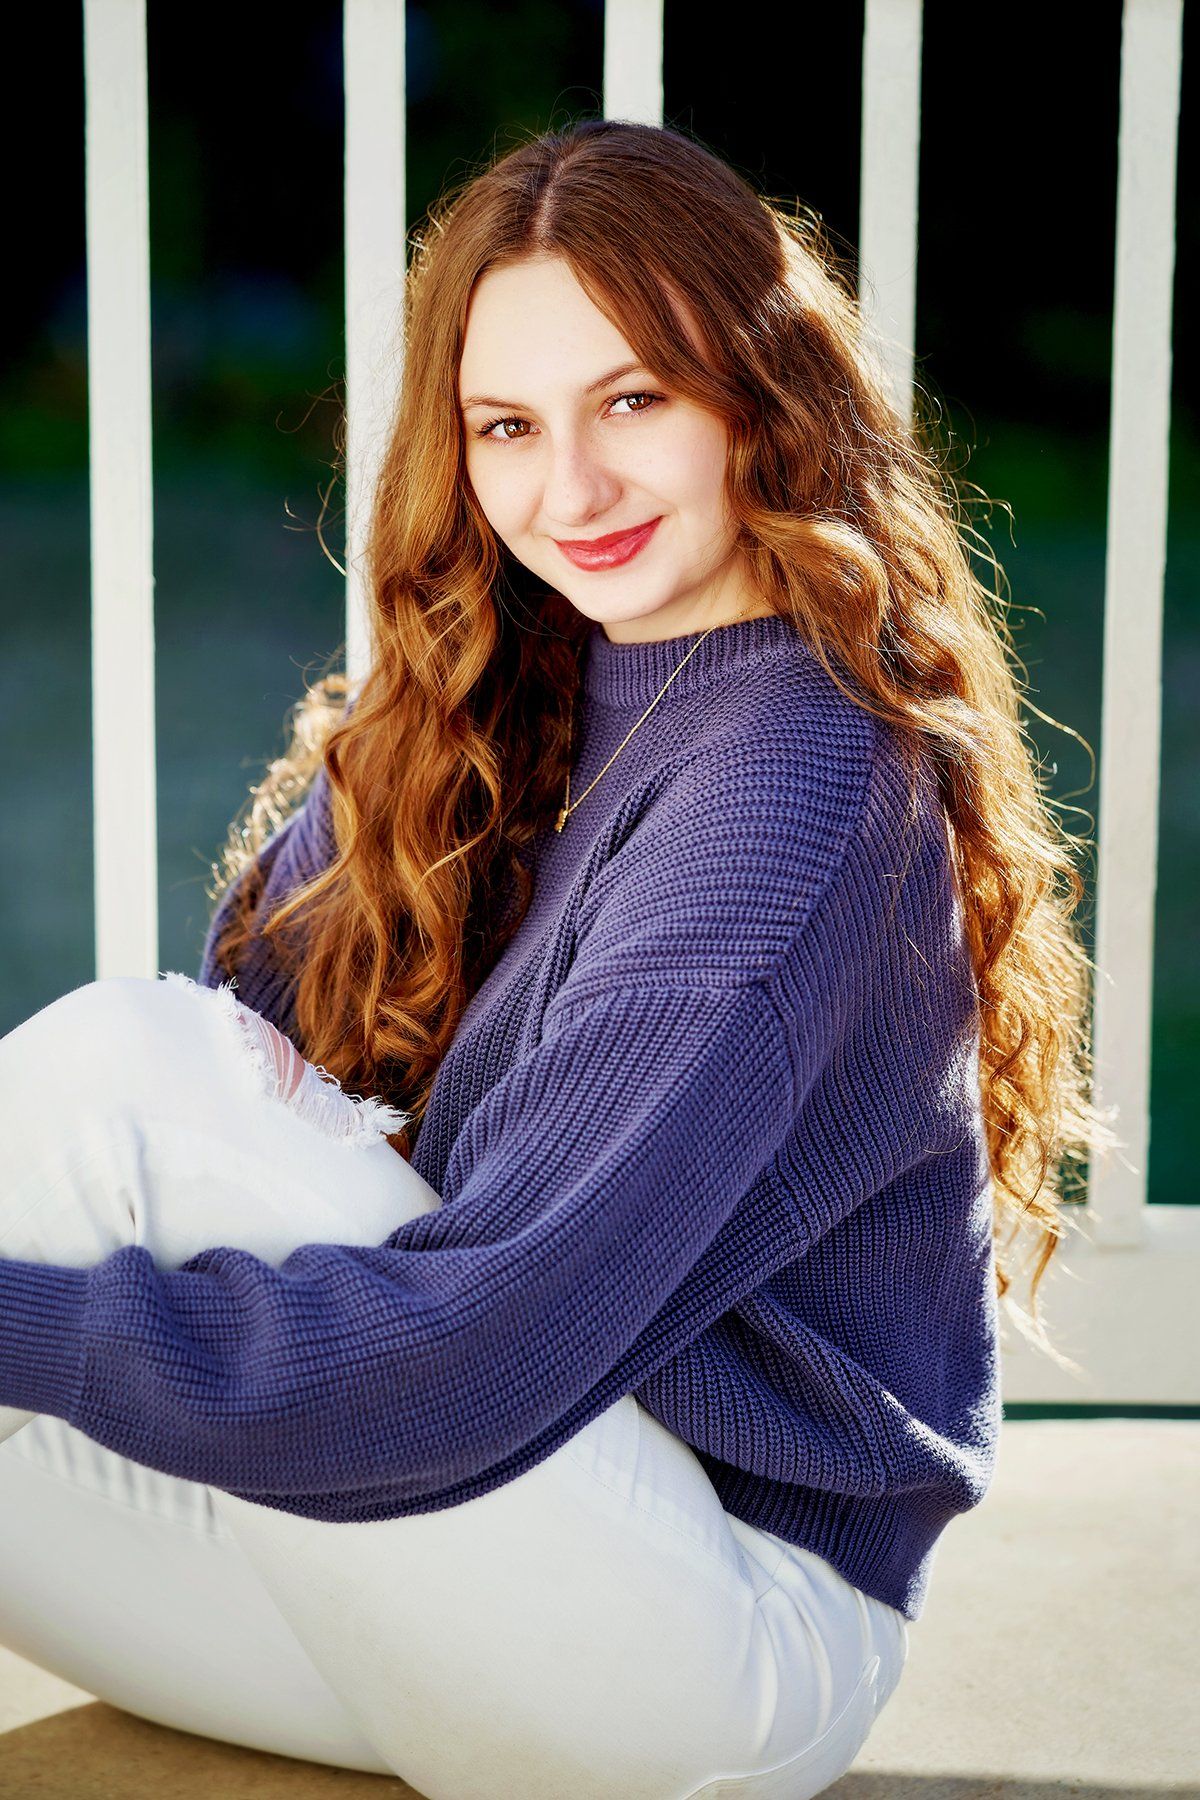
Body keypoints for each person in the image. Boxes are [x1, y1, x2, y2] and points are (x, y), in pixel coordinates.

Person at [0, 119, 1114, 1798]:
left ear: (762, 390)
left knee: (120, 1075)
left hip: (706, 1649)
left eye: (635, 400)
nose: (568, 491)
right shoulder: (507, 687)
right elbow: (266, 1065)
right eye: (509, 426)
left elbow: (475, 1356)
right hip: (477, 1570)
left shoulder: (798, 785)